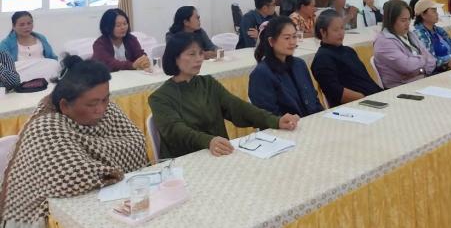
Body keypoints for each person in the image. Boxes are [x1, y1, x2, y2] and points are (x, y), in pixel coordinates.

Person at [0, 55, 148, 226]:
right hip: (46, 216)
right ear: (65, 106)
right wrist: (112, 171)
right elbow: (71, 177)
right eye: (92, 104)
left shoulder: (107, 107)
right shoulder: (45, 126)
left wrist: (104, 167)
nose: (101, 109)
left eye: (105, 99)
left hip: (105, 200)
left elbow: (136, 141)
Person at [149, 32, 299, 158]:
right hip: (185, 162)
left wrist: (275, 120)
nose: (199, 58)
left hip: (219, 154)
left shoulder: (208, 83)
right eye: (192, 54)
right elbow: (176, 131)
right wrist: (208, 141)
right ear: (175, 58)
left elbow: (238, 107)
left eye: (201, 53)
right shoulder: (160, 98)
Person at [248, 17, 324, 117]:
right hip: (287, 125)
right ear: (271, 41)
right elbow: (267, 116)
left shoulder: (299, 64)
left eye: (294, 36)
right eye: (287, 38)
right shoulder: (261, 74)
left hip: (311, 121)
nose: (292, 42)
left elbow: (313, 99)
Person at [311, 10, 382, 107]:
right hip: (356, 105)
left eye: (342, 28)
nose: (341, 33)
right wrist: (365, 99)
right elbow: (337, 92)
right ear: (323, 32)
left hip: (373, 97)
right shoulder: (322, 59)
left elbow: (366, 79)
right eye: (336, 30)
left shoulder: (349, 51)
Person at [373, 0, 436, 88]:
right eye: (403, 20)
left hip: (421, 80)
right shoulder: (383, 42)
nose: (408, 24)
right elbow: (407, 66)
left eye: (409, 19)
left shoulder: (410, 34)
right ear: (391, 20)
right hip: (400, 88)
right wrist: (423, 59)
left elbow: (432, 60)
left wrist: (421, 69)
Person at [413, 0, 451, 72]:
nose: (437, 14)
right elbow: (430, 60)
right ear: (423, 15)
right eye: (433, 11)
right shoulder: (419, 33)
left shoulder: (439, 30)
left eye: (436, 11)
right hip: (435, 72)